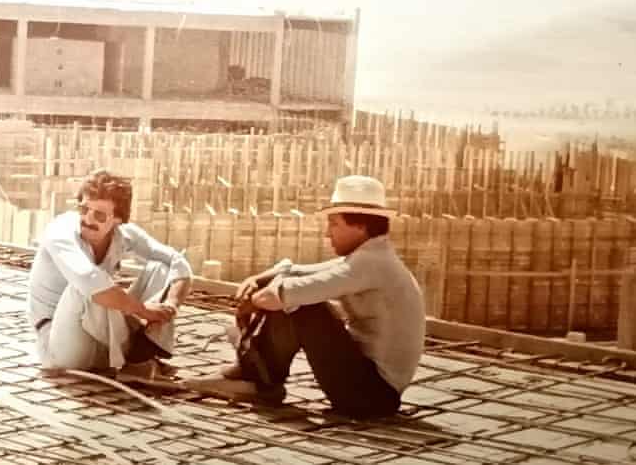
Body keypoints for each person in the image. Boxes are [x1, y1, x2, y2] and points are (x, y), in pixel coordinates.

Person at [185, 175, 425, 418]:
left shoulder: (370, 263)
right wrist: (257, 280)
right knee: (290, 294)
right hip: (371, 389)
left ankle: (260, 380)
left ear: (360, 226)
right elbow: (297, 271)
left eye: (334, 224)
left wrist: (252, 302)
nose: (327, 234)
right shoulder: (371, 256)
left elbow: (290, 292)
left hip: (372, 396)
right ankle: (256, 374)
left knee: (305, 306)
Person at [27, 169, 193, 379]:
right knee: (86, 288)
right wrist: (143, 311)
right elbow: (89, 280)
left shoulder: (124, 235)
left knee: (161, 268)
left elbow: (177, 261)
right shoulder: (61, 231)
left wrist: (171, 305)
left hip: (104, 344)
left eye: (99, 215)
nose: (88, 218)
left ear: (117, 219)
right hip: (63, 346)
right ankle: (138, 357)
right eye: (84, 209)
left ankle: (141, 355)